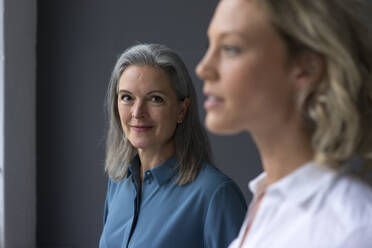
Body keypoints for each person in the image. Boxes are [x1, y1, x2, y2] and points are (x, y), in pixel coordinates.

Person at [196, 0, 372, 247]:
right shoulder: (266, 202)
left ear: (305, 69)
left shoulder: (352, 229)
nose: (203, 68)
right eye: (210, 44)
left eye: (231, 48)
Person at [99, 43, 247, 248]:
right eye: (127, 98)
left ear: (181, 110)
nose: (137, 112)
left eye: (155, 99)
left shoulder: (215, 194)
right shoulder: (118, 180)